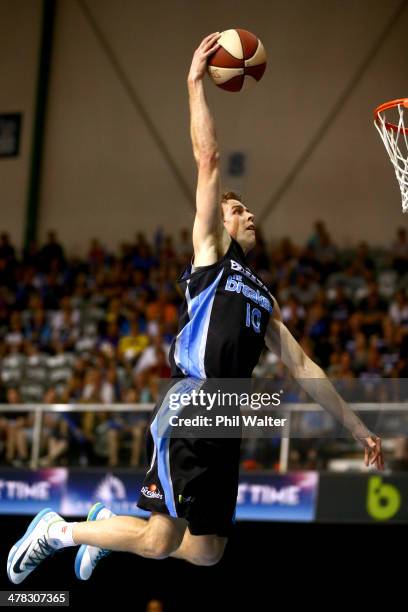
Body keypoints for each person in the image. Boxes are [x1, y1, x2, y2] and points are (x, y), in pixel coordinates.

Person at [7, 32, 384, 585]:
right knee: (159, 538)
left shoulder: (263, 295)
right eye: (238, 208)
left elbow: (304, 369)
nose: (247, 213)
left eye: (246, 208)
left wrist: (358, 429)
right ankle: (56, 532)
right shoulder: (209, 258)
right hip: (193, 406)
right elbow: (207, 160)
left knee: (207, 551)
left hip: (226, 417)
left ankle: (109, 526)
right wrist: (193, 86)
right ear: (219, 221)